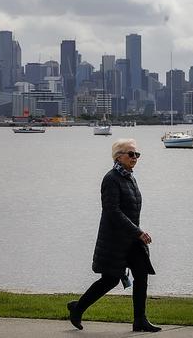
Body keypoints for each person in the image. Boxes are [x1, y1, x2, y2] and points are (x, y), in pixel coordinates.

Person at [67, 138, 161, 333]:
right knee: (110, 280)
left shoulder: (130, 178)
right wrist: (138, 232)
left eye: (137, 154)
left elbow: (130, 210)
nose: (135, 157)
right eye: (131, 154)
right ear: (119, 157)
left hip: (131, 239)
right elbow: (112, 211)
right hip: (115, 240)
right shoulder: (111, 179)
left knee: (141, 275)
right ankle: (78, 308)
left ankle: (140, 320)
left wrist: (136, 233)